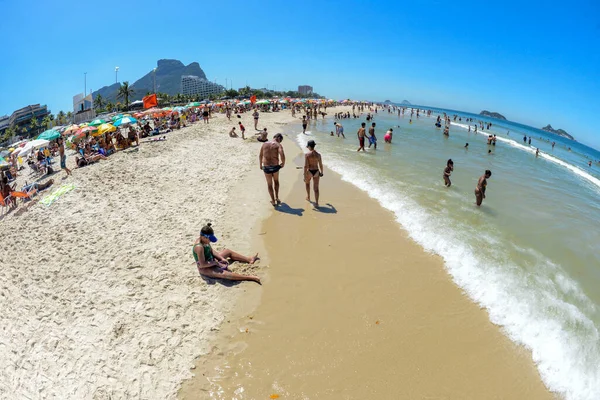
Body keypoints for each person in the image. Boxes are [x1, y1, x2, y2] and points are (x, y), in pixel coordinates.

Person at [193, 223, 260, 284]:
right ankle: (250, 277)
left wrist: (221, 258)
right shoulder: (199, 247)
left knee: (227, 251)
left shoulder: (205, 241)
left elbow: (211, 251)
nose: (210, 241)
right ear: (203, 237)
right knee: (224, 274)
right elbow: (202, 264)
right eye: (209, 239)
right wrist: (216, 263)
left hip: (211, 260)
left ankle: (249, 259)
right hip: (204, 268)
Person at [259, 133, 286, 206]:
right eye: (280, 141)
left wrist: (260, 165)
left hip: (266, 167)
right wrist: (283, 163)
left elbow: (260, 155)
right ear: (279, 138)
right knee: (276, 181)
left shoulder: (264, 144)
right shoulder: (278, 145)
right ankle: (277, 197)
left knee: (269, 184)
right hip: (275, 167)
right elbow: (282, 154)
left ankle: (273, 201)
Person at [304, 140, 324, 208]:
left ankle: (308, 197)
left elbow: (305, 166)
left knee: (307, 183)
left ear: (309, 146)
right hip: (316, 171)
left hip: (310, 171)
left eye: (308, 147)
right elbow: (321, 165)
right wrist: (322, 172)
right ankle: (317, 203)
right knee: (316, 188)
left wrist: (304, 175)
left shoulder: (307, 155)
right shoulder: (318, 155)